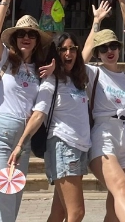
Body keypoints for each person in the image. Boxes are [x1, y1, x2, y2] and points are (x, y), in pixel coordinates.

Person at [0, 0, 54, 222]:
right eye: (22, 34)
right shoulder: (4, 59)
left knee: (13, 194)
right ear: (14, 38)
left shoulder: (40, 71)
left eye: (31, 35)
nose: (26, 38)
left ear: (36, 41)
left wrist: (23, 142)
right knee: (0, 196)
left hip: (23, 137)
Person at [9, 32, 91, 222]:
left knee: (59, 213)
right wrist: (21, 144)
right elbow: (39, 114)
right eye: (63, 49)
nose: (68, 53)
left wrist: (96, 23)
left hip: (79, 148)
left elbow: (89, 47)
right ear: (55, 53)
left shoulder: (77, 80)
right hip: (64, 146)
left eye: (72, 49)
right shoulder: (51, 81)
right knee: (76, 213)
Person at [81, 0, 125, 222]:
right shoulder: (93, 73)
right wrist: (96, 23)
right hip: (103, 133)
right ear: (98, 52)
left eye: (113, 46)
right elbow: (81, 56)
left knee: (114, 205)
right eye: (103, 48)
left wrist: (122, 1)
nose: (109, 51)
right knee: (120, 188)